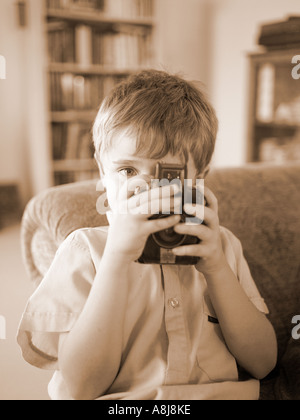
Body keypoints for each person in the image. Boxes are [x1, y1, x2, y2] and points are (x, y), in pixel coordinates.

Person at [17, 70, 277, 400]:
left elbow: (263, 364)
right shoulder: (85, 250)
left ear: (200, 178)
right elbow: (82, 388)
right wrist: (116, 259)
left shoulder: (222, 245)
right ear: (102, 171)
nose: (146, 190)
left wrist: (216, 269)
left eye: (169, 176)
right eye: (127, 170)